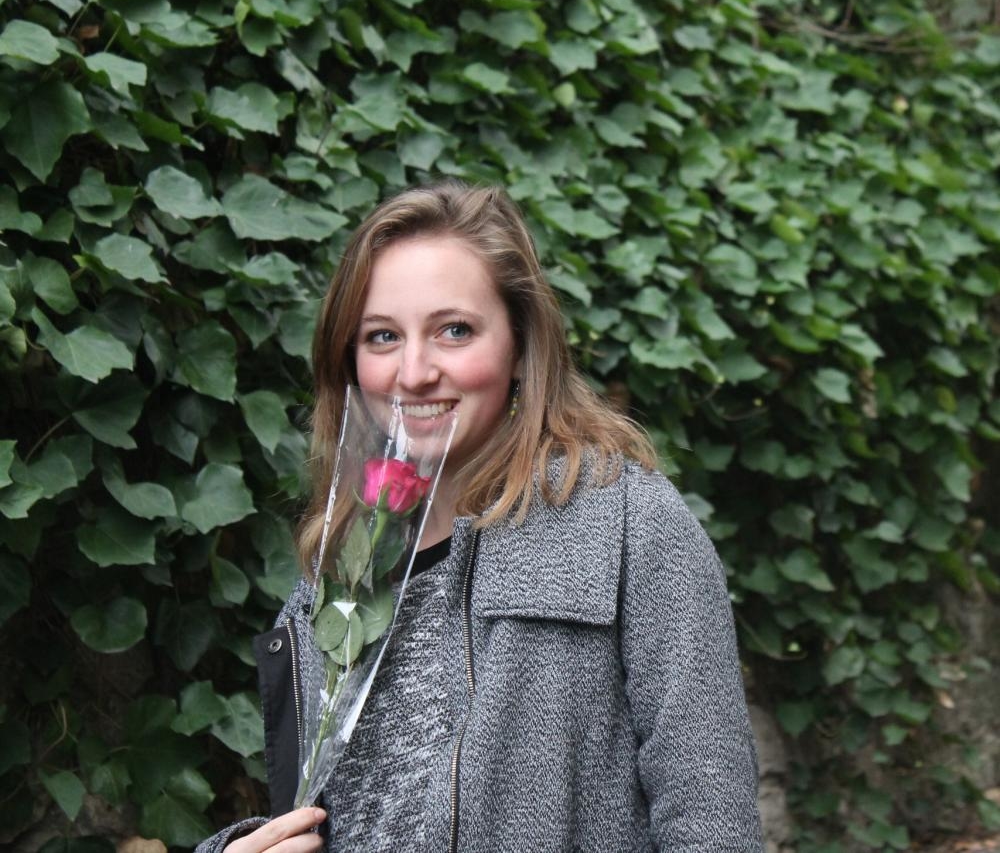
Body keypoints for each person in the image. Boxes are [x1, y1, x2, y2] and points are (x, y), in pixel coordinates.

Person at [197, 180, 763, 853]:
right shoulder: (336, 581)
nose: (414, 372)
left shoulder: (625, 524)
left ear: (520, 345)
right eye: (382, 336)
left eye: (454, 330)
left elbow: (711, 819)